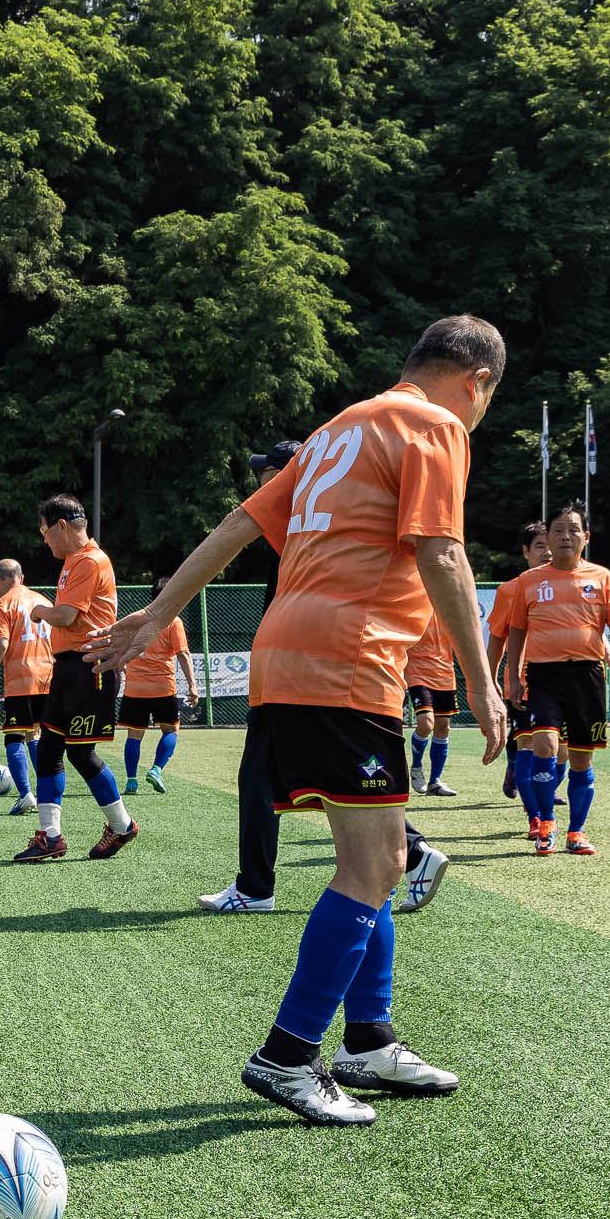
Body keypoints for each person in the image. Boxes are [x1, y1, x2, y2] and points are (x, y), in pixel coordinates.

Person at [92, 315, 508, 1126]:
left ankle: (370, 1038)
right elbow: (443, 553)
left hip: (284, 651)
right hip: (350, 659)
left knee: (377, 857)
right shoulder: (435, 424)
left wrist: (157, 612)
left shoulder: (338, 428)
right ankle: (289, 1055)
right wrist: (483, 683)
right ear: (478, 382)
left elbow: (236, 528)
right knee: (379, 861)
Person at [196, 444, 448, 919]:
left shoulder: (304, 532)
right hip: (302, 673)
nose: (264, 484)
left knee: (298, 781)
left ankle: (406, 854)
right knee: (299, 780)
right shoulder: (306, 530)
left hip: (313, 675)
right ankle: (408, 853)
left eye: (270, 474)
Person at [491, 503, 610, 856]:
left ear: (585, 537)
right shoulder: (528, 582)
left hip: (586, 676)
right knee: (545, 747)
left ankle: (577, 832)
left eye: (573, 529)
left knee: (581, 759)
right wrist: (513, 679)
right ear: (547, 538)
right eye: (558, 530)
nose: (565, 536)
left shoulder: (601, 577)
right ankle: (545, 822)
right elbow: (517, 632)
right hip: (543, 676)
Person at [14, 495, 139, 862]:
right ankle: (49, 836)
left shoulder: (90, 560)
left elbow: (67, 616)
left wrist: (39, 610)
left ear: (61, 526)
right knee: (50, 749)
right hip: (70, 668)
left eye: (45, 531)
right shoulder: (74, 561)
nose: (44, 539)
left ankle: (122, 825)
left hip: (91, 669)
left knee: (81, 752)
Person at [0, 557, 51, 814]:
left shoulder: (2, 604)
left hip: (20, 680)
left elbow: (2, 643)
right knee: (36, 735)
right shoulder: (44, 601)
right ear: (22, 577)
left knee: (14, 736)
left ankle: (26, 793)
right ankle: (48, 793)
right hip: (48, 678)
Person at [487, 520, 551, 814]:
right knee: (528, 742)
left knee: (557, 750)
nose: (548, 551)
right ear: (526, 552)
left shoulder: (574, 585)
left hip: (559, 683)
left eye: (552, 543)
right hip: (521, 681)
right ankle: (537, 813)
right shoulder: (510, 590)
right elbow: (497, 639)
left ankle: (524, 774)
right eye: (540, 546)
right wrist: (489, 679)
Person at [118, 576, 198, 794]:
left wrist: (122, 666)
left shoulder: (138, 618)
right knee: (171, 730)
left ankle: (131, 781)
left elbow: (122, 647)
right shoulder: (173, 620)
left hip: (135, 688)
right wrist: (192, 685)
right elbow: (183, 653)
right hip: (162, 686)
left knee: (134, 735)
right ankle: (155, 769)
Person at [404, 612, 459, 797]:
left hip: (445, 673)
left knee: (443, 727)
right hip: (417, 671)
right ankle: (416, 767)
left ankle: (435, 781)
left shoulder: (450, 602)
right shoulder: (413, 598)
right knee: (426, 723)